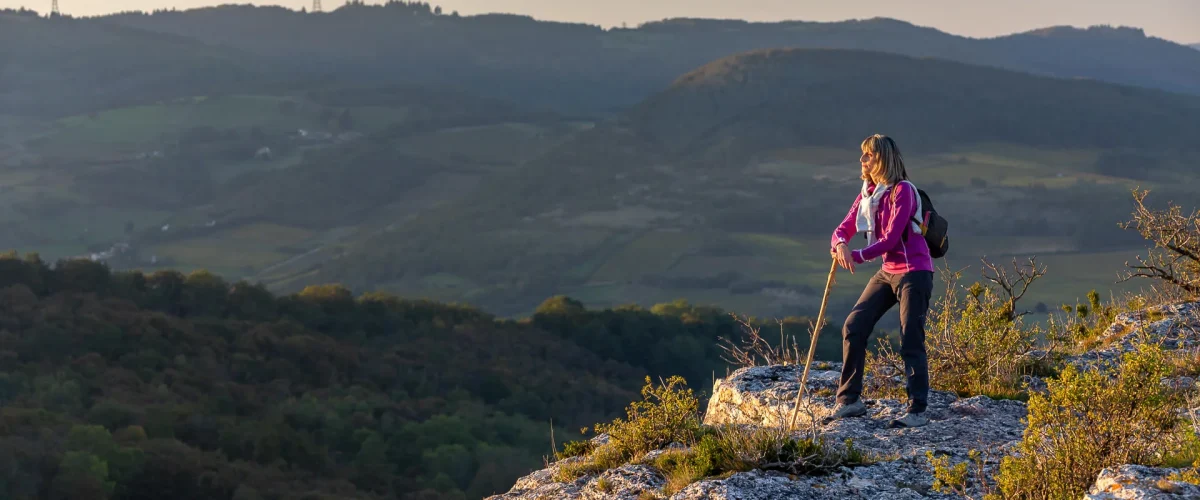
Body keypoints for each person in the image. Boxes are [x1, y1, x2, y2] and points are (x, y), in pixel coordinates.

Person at [823, 134, 935, 429]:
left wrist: (856, 255)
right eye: (863, 155)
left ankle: (917, 408)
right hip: (888, 271)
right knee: (854, 325)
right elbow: (842, 228)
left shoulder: (903, 191)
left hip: (914, 271)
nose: (863, 160)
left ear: (883, 158)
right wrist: (840, 246)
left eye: (868, 155)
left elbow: (891, 238)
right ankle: (849, 401)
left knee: (910, 335)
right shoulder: (868, 195)